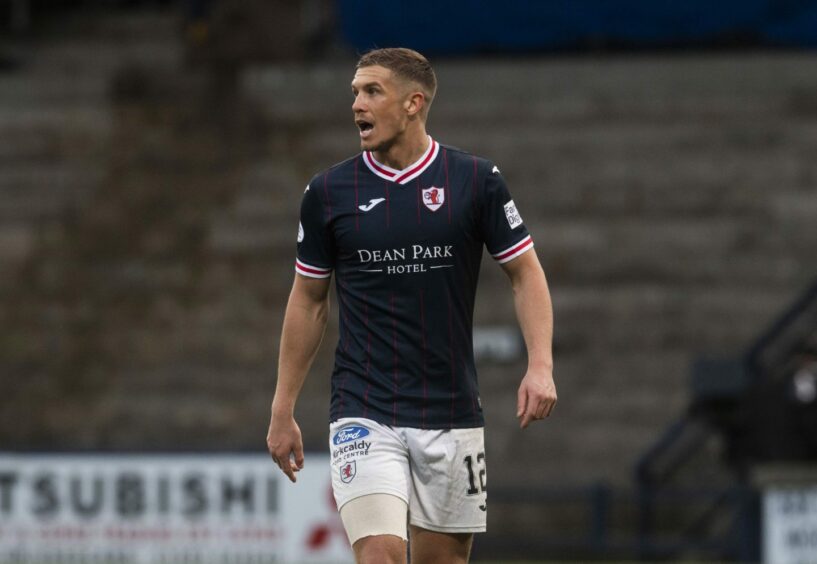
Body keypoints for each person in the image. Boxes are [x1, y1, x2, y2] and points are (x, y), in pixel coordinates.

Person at [266, 47, 556, 564]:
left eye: (372, 91)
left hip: (451, 409)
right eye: (355, 91)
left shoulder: (476, 181)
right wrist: (283, 407)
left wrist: (540, 366)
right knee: (380, 556)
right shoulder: (329, 192)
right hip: (363, 407)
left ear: (413, 103)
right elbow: (309, 301)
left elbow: (525, 272)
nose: (357, 103)